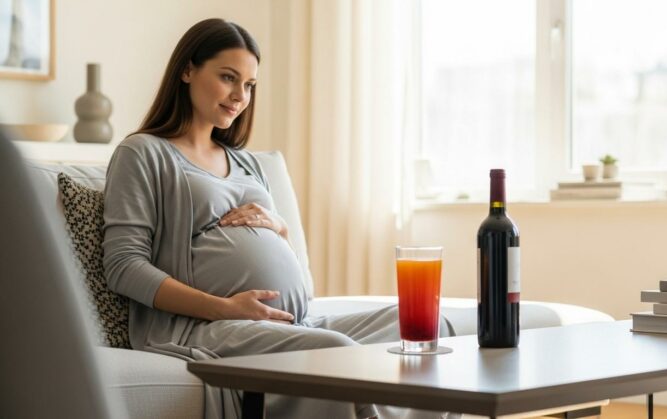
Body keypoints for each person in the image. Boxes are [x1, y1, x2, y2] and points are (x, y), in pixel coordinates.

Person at [102, 18, 456, 419]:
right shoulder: (144, 153)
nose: (240, 96)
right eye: (228, 78)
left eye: (249, 85)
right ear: (187, 70)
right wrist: (223, 308)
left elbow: (296, 277)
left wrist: (281, 231)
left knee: (421, 326)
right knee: (336, 354)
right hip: (204, 325)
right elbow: (123, 266)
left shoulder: (247, 162)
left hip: (293, 320)